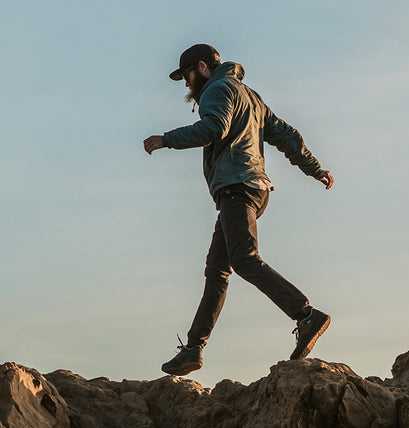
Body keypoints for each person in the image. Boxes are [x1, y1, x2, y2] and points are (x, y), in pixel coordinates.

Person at [143, 44, 335, 376]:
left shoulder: (216, 90)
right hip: (253, 189)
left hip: (237, 188)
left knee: (244, 260)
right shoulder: (249, 95)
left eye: (187, 75)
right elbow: (286, 134)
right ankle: (193, 349)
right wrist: (314, 168)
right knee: (217, 270)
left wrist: (167, 139)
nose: (187, 84)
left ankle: (306, 315)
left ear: (202, 67)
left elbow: (213, 129)